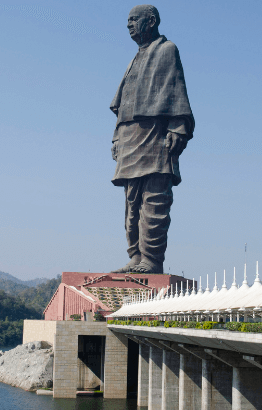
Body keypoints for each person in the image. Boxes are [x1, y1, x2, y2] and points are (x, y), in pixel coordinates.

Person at [109, 5, 195, 274]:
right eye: (128, 21)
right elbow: (122, 105)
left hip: (156, 137)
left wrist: (178, 127)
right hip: (130, 137)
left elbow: (176, 90)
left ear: (152, 21)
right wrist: (116, 138)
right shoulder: (133, 59)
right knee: (131, 203)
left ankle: (152, 259)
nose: (129, 25)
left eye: (134, 20)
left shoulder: (166, 50)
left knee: (155, 200)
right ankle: (135, 256)